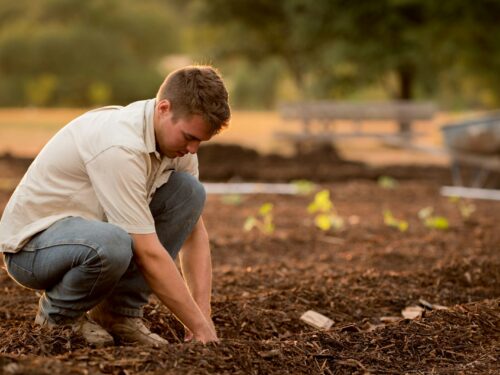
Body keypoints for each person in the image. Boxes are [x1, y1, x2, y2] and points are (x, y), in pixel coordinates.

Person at [0, 65, 230, 347]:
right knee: (114, 242)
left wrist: (203, 319)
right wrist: (196, 326)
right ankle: (58, 318)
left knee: (189, 193)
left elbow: (194, 233)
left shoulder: (176, 148)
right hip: (32, 249)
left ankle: (117, 314)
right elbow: (148, 252)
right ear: (164, 109)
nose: (193, 149)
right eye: (189, 137)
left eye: (200, 141)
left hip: (90, 235)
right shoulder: (120, 146)